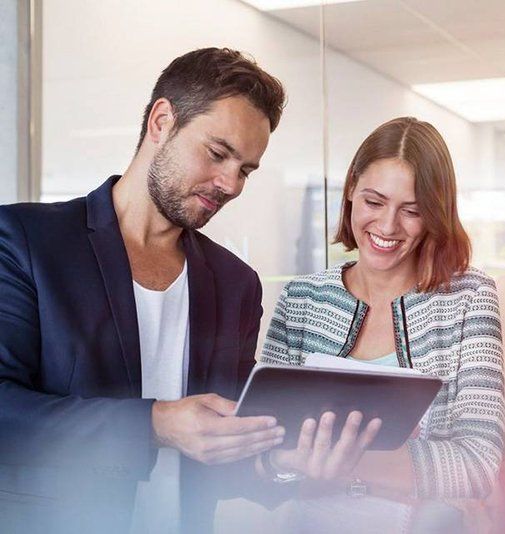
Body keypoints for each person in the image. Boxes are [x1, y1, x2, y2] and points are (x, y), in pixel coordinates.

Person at [0, 47, 373, 534]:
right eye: (218, 154)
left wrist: (284, 463)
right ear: (161, 121)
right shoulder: (26, 241)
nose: (230, 184)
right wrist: (155, 425)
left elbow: (229, 456)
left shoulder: (235, 284)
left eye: (245, 170)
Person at [259, 117, 505, 532]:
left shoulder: (469, 297)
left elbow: (478, 463)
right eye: (374, 202)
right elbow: (262, 447)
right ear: (351, 187)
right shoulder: (302, 298)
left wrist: (341, 465)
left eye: (412, 211)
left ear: (436, 214)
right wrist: (282, 462)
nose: (388, 227)